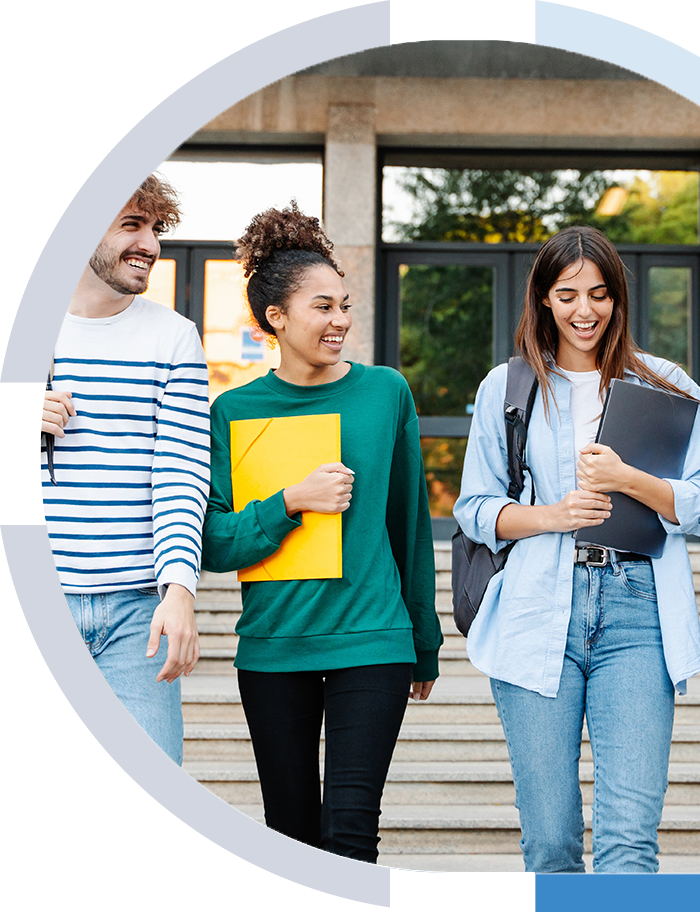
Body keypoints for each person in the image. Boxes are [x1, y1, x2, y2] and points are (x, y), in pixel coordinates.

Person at [453, 225, 700, 873]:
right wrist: (552, 514)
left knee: (628, 839)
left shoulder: (667, 385)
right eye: (569, 294)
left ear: (618, 299)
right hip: (534, 607)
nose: (586, 310)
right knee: (549, 840)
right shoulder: (509, 387)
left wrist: (629, 480)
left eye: (600, 294)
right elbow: (473, 509)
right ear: (544, 299)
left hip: (638, 610)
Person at [201, 202, 442, 863]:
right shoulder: (233, 410)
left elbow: (409, 526)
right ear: (275, 317)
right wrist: (289, 502)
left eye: (344, 305)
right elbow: (214, 543)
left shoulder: (384, 393)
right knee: (290, 835)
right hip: (274, 647)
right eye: (322, 307)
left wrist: (424, 641)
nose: (340, 321)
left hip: (372, 640)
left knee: (350, 836)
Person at [40, 173, 210, 766]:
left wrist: (179, 591)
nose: (150, 245)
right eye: (130, 226)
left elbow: (182, 473)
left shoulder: (173, 338)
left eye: (154, 229)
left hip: (137, 613)